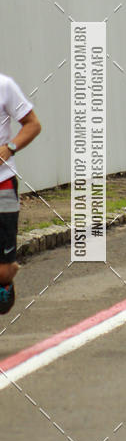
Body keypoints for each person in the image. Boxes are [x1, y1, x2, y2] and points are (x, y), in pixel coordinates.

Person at [0, 75, 41, 314]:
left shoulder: (4, 86)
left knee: (3, 271)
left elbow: (33, 124)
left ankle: (6, 276)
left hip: (2, 183)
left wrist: (10, 147)